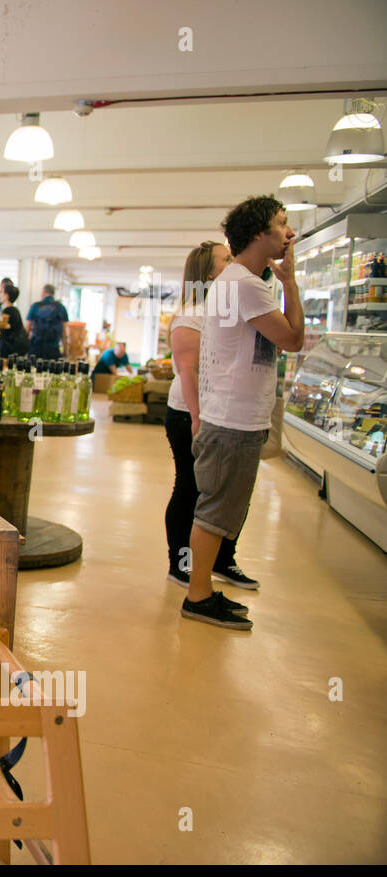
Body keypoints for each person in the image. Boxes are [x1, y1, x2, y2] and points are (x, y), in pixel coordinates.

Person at [182, 196, 303, 630]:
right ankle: (197, 597)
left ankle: (203, 591)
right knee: (216, 511)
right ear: (258, 235)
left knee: (221, 508)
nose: (289, 233)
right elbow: (292, 339)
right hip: (232, 418)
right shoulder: (246, 285)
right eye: (282, 224)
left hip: (232, 414)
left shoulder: (239, 280)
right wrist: (290, 283)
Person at [164, 242, 257, 590]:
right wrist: (199, 419)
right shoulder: (192, 314)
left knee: (228, 490)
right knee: (191, 486)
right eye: (226, 259)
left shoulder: (228, 308)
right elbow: (188, 372)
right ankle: (180, 563)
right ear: (209, 273)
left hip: (224, 412)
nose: (234, 264)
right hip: (189, 412)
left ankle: (221, 559)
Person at [26, 284, 68, 359]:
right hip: (53, 348)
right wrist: (65, 349)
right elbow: (64, 332)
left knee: (33, 370)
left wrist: (25, 347)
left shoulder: (35, 306)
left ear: (43, 292)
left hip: (36, 348)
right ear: (53, 294)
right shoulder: (61, 307)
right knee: (52, 370)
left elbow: (27, 329)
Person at [0, 284, 27, 357]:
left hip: (9, 350)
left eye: (1, 292)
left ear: (6, 295)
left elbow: (2, 331)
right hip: (17, 348)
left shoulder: (8, 312)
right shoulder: (15, 310)